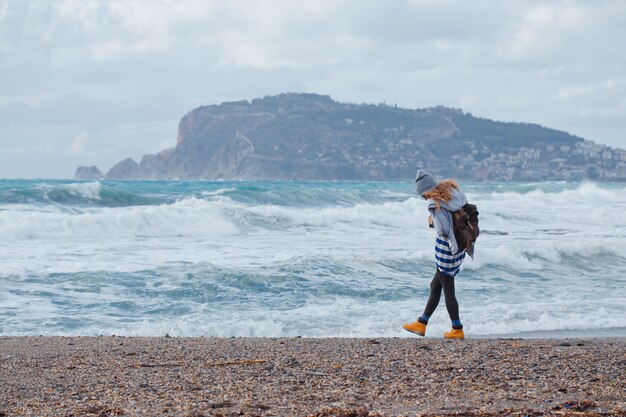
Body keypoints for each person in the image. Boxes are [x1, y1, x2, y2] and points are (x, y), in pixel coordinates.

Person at [403, 170, 470, 339]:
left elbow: (443, 230)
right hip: (459, 246)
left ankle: (457, 328)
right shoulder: (455, 194)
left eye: (423, 195)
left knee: (448, 289)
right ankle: (421, 323)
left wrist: (432, 221)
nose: (424, 199)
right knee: (435, 285)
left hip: (446, 250)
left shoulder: (436, 204)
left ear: (428, 190)